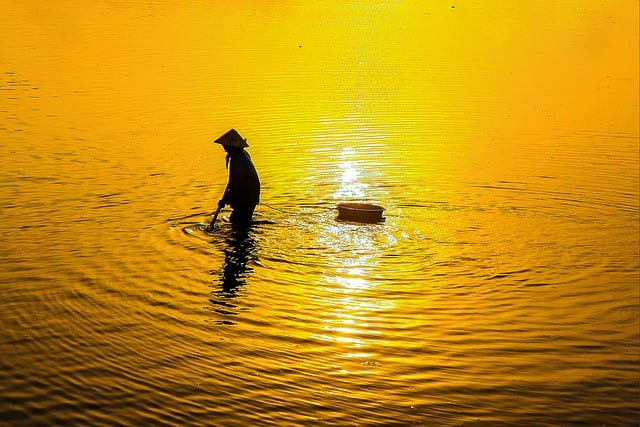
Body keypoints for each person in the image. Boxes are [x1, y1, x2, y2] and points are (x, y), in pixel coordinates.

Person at [211, 129, 260, 228]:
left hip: (248, 194)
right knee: (241, 220)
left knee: (237, 220)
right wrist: (226, 198)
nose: (224, 148)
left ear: (231, 147)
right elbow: (233, 181)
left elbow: (237, 182)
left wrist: (226, 199)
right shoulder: (241, 155)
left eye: (226, 146)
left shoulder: (238, 158)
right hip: (251, 193)